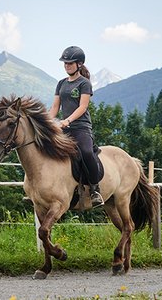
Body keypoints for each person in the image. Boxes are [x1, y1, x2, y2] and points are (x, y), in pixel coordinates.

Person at [47, 45, 104, 207]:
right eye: (65, 63)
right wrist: (46, 123)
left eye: (70, 63)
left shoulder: (84, 83)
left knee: (86, 152)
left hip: (81, 127)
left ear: (79, 64)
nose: (66, 66)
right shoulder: (61, 83)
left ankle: (95, 189)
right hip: (64, 128)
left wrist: (67, 121)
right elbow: (54, 108)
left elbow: (82, 107)